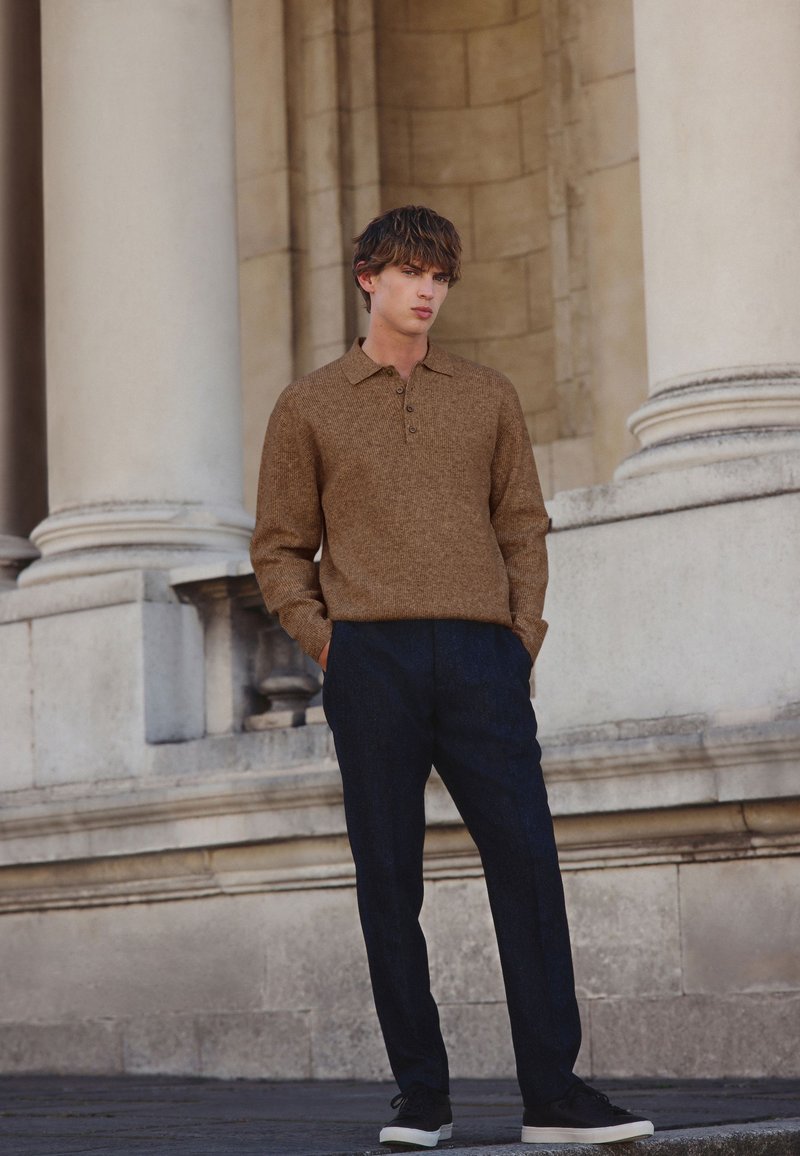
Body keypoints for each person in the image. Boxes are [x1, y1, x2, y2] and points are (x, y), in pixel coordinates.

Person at [250, 205, 654, 1149]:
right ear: (368, 278)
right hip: (371, 661)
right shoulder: (308, 405)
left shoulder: (487, 394)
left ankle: (553, 1093)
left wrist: (521, 640)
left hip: (482, 659)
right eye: (409, 273)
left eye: (439, 276)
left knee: (528, 865)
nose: (427, 291)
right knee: (390, 879)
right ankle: (421, 1097)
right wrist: (329, 644)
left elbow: (523, 524)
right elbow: (278, 547)